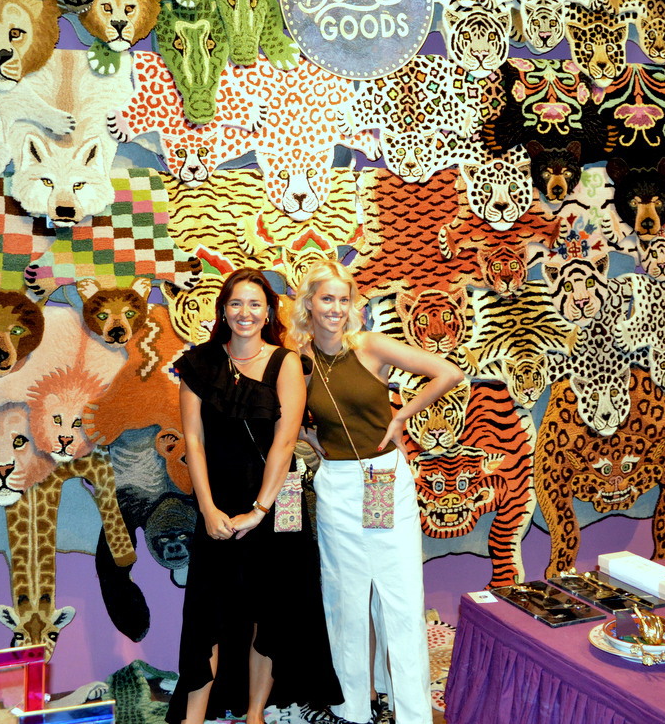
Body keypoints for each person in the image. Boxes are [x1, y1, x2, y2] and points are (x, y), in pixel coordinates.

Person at [292, 261, 466, 724]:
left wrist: (401, 415)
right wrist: (309, 437)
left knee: (398, 593)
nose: (335, 308)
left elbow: (447, 373)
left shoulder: (369, 345)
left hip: (380, 479)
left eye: (343, 299)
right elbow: (288, 415)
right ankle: (353, 707)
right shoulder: (299, 360)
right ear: (309, 302)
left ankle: (412, 713)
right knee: (345, 599)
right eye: (326, 298)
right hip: (335, 484)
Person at [166, 268, 342, 724]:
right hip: (218, 499)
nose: (245, 313)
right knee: (207, 613)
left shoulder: (287, 363)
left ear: (268, 313)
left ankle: (255, 713)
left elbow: (285, 442)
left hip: (279, 500)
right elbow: (193, 440)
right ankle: (193, 718)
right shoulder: (198, 364)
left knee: (273, 609)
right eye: (236, 304)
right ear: (223, 310)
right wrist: (208, 508)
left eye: (255, 304)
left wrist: (259, 510)